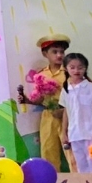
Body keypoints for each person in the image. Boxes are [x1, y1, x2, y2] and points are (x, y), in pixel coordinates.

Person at [17, 35, 70, 169]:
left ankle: (80, 178)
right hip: (49, 115)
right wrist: (28, 100)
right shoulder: (41, 75)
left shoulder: (70, 71)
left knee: (72, 152)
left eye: (62, 52)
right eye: (54, 52)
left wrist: (66, 110)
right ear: (45, 54)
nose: (59, 55)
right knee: (48, 151)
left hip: (68, 115)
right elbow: (40, 99)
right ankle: (53, 179)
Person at [61, 52, 92, 173]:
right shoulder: (66, 89)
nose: (76, 70)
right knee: (81, 165)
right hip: (74, 133)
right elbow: (66, 112)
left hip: (91, 132)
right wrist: (64, 132)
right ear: (65, 68)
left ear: (85, 69)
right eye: (72, 67)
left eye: (80, 67)